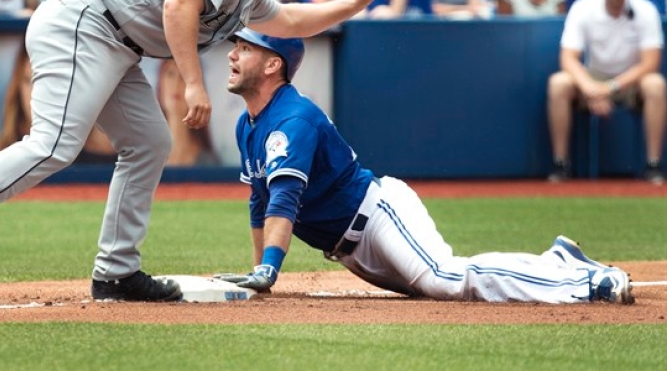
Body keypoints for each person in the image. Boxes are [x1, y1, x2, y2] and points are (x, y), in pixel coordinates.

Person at [0, 0, 372, 303]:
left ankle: (115, 271)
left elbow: (289, 19)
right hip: (84, 24)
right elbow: (178, 6)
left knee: (150, 141)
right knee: (55, 144)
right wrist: (193, 83)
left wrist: (357, 1)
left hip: (115, 43)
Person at [214, 28, 635, 305]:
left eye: (245, 48)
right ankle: (558, 261)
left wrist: (270, 267)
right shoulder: (248, 124)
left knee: (445, 279)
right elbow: (260, 199)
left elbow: (284, 200)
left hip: (378, 216)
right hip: (351, 248)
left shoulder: (293, 119)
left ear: (273, 65)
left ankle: (584, 285)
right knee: (440, 288)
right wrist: (259, 273)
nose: (232, 55)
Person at [547, 0, 666, 184]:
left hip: (630, 81)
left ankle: (653, 164)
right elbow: (569, 58)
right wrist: (590, 88)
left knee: (656, 84)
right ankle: (560, 163)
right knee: (558, 83)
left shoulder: (645, 10)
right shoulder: (583, 8)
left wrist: (610, 87)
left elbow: (651, 62)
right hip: (594, 77)